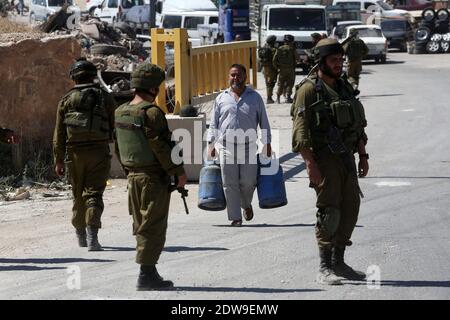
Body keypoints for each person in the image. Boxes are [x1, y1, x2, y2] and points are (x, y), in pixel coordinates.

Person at [291, 38, 369, 285]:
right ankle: (325, 267)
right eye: (334, 60)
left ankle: (339, 261)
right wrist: (309, 164)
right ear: (321, 61)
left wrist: (363, 154)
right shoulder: (308, 90)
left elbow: (356, 124)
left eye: (341, 60)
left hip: (347, 158)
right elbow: (300, 131)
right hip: (324, 160)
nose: (339, 64)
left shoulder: (344, 86)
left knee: (350, 209)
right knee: (330, 211)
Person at [114, 63, 187, 290]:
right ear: (154, 88)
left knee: (141, 223)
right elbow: (162, 148)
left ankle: (149, 270)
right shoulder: (152, 113)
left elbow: (119, 146)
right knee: (153, 224)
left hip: (133, 177)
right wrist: (178, 172)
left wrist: (129, 170)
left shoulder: (120, 111)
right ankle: (146, 275)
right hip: (152, 178)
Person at [53, 58, 116, 251]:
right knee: (94, 194)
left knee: (77, 194)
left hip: (74, 154)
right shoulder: (105, 97)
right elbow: (113, 126)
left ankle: (80, 234)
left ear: (74, 78)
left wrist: (58, 159)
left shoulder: (65, 100)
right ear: (92, 76)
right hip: (99, 152)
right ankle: (92, 238)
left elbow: (59, 133)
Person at [207, 64, 272, 227]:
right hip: (226, 146)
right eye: (232, 75)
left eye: (238, 75)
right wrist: (211, 144)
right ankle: (235, 217)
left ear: (245, 77)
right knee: (229, 183)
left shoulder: (255, 97)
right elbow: (214, 123)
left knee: (248, 182)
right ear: (229, 77)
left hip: (249, 146)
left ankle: (246, 204)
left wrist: (267, 142)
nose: (235, 78)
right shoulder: (221, 98)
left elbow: (264, 121)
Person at [273, 34, 298, 104]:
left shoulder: (279, 49)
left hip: (282, 69)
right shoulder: (292, 49)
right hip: (290, 69)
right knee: (290, 83)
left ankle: (278, 98)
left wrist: (277, 67)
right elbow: (297, 58)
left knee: (281, 83)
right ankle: (288, 97)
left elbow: (274, 60)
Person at [259, 35, 278, 104]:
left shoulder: (264, 48)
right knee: (270, 83)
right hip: (271, 68)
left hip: (265, 68)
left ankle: (269, 97)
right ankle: (269, 98)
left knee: (268, 83)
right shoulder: (273, 49)